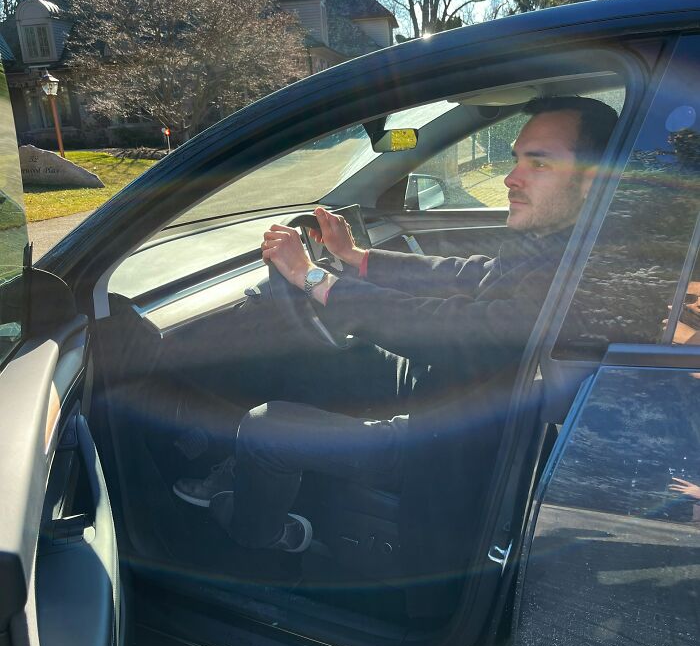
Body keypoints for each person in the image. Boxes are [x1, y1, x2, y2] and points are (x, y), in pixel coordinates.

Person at [173, 96, 619, 561]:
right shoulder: (559, 245)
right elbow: (466, 274)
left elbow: (458, 330)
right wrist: (355, 258)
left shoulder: (581, 273)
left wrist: (315, 278)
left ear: (593, 181)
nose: (511, 177)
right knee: (312, 360)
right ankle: (245, 470)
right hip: (454, 394)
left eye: (539, 163)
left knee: (265, 429)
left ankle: (260, 534)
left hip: (446, 447)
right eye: (516, 160)